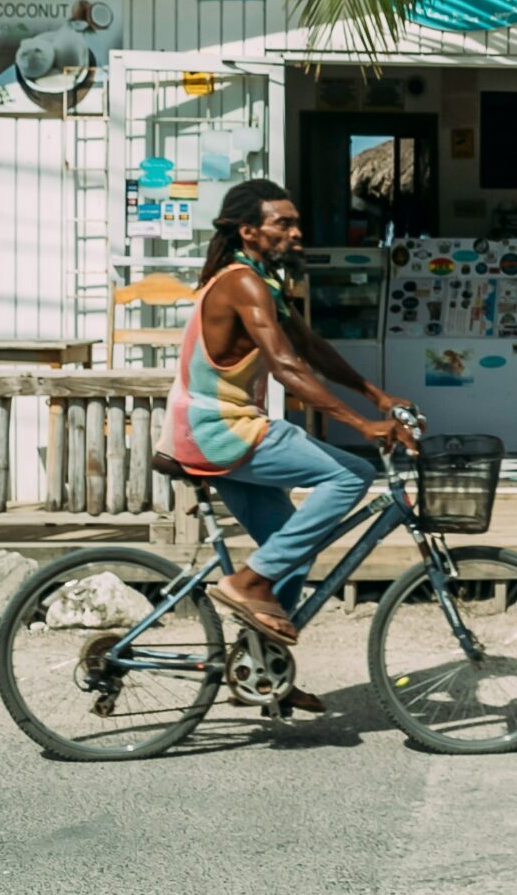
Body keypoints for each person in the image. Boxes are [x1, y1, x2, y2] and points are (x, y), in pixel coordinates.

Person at [160, 178, 416, 676]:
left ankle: (265, 668)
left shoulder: (263, 281)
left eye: (296, 222)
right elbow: (286, 366)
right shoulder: (241, 282)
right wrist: (362, 425)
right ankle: (246, 584)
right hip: (221, 431)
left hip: (219, 432)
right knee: (350, 476)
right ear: (249, 231)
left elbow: (311, 348)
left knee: (290, 555)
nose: (297, 232)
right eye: (285, 223)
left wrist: (376, 394)